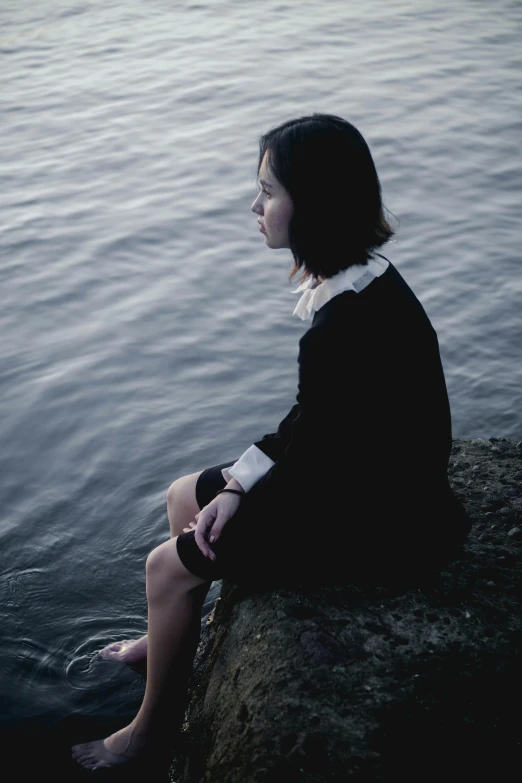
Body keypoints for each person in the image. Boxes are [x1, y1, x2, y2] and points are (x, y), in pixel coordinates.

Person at [72, 114, 471, 770]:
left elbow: (318, 462)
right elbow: (318, 418)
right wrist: (234, 485)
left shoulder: (348, 323)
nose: (255, 206)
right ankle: (164, 638)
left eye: (269, 191)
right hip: (363, 485)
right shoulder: (361, 281)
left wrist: (241, 494)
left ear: (312, 203)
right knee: (183, 496)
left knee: (162, 565)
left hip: (384, 527)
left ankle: (151, 730)